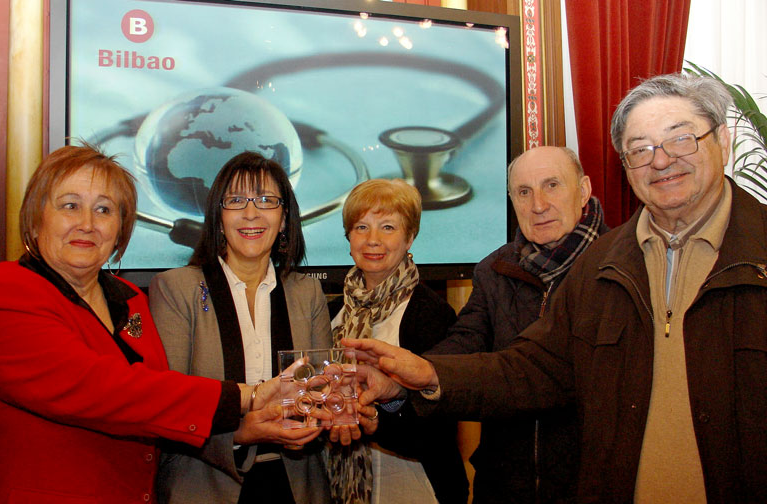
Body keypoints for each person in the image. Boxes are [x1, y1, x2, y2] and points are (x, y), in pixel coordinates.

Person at [346, 73, 767, 503]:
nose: (660, 161)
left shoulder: (603, 263)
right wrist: (423, 374)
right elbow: (529, 368)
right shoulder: (596, 267)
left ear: (724, 142)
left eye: (680, 139)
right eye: (641, 149)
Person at [0, 144, 289, 503]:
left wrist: (241, 431)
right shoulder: (2, 293)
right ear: (36, 217)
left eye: (104, 209)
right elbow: (103, 390)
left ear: (121, 227)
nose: (87, 224)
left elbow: (155, 406)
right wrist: (246, 396)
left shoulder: (130, 298)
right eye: (70, 205)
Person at [149, 151, 357, 503]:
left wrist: (331, 413)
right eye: (235, 200)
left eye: (266, 200)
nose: (251, 213)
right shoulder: (175, 289)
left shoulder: (307, 292)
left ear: (284, 218)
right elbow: (168, 406)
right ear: (218, 218)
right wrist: (238, 434)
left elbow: (320, 390)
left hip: (296, 484)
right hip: (205, 484)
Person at [428, 145, 608, 503]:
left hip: (591, 485)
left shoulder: (617, 268)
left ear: (584, 190)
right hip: (503, 486)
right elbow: (464, 344)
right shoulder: (494, 270)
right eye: (524, 192)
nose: (538, 205)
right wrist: (404, 374)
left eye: (552, 185)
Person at [327, 179, 468, 504]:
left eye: (388, 227)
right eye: (361, 227)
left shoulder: (432, 313)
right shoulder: (332, 313)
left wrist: (380, 416)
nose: (373, 240)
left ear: (410, 237)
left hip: (420, 487)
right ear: (349, 237)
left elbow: (441, 424)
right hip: (340, 486)